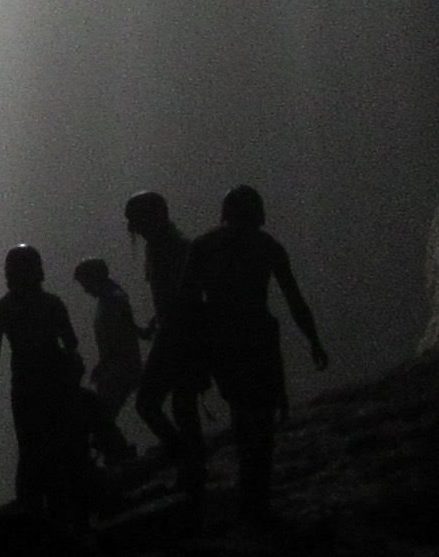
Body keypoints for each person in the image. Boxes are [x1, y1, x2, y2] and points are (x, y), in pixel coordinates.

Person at [178, 185, 328, 522]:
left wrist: (193, 349)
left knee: (241, 410)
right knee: (261, 416)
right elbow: (293, 297)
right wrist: (313, 339)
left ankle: (250, 496)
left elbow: (186, 302)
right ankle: (256, 493)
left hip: (223, 339)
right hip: (257, 336)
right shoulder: (266, 245)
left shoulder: (204, 246)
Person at [0, 245, 81, 513]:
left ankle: (33, 515)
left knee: (30, 450)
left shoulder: (1, 309)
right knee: (59, 446)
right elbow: (71, 342)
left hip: (25, 385)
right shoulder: (52, 303)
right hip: (55, 381)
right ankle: (64, 511)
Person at [124, 191, 206, 489]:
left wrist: (167, 325)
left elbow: (182, 296)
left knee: (159, 403)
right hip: (175, 332)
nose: (133, 227)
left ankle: (189, 463)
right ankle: (190, 462)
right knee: (178, 404)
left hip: (178, 335)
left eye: (135, 219)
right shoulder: (165, 247)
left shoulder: (169, 249)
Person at [70, 256, 144, 457]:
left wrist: (104, 365)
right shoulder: (112, 297)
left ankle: (119, 455)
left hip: (120, 368)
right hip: (119, 366)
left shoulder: (112, 299)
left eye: (85, 283)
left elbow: (117, 335)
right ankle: (118, 453)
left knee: (103, 416)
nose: (85, 290)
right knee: (104, 416)